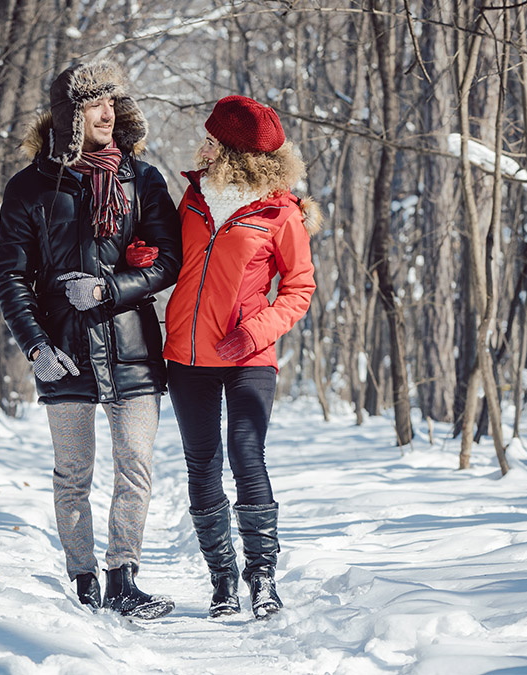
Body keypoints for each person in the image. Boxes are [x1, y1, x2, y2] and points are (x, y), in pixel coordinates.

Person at [0, 62, 181, 619]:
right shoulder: (29, 187)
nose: (107, 113)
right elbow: (11, 276)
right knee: (72, 473)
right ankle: (83, 582)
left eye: (113, 102)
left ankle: (124, 578)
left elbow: (170, 260)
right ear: (67, 115)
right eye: (94, 103)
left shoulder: (142, 178)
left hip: (133, 348)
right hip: (64, 349)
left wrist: (108, 288)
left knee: (135, 468)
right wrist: (35, 345)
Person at [163, 95, 320, 620]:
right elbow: (171, 262)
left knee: (247, 456)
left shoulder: (279, 212)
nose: (200, 145)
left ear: (231, 150)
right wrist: (147, 258)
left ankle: (264, 580)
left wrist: (254, 333)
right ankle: (222, 583)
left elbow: (299, 289)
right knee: (202, 466)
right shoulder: (190, 199)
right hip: (186, 355)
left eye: (210, 139)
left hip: (249, 355)